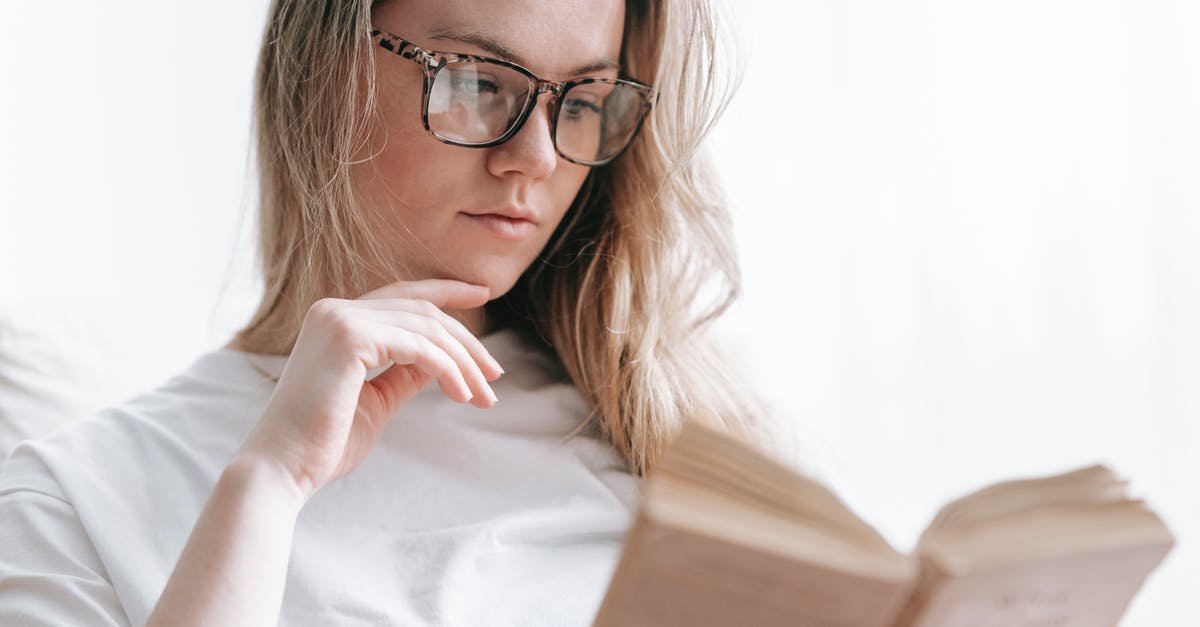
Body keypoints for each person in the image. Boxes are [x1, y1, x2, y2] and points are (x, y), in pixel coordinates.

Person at [0, 0, 793, 625]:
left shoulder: (678, 429)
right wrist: (269, 482)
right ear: (321, 69)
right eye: (481, 83)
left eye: (583, 101)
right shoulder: (73, 499)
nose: (540, 157)